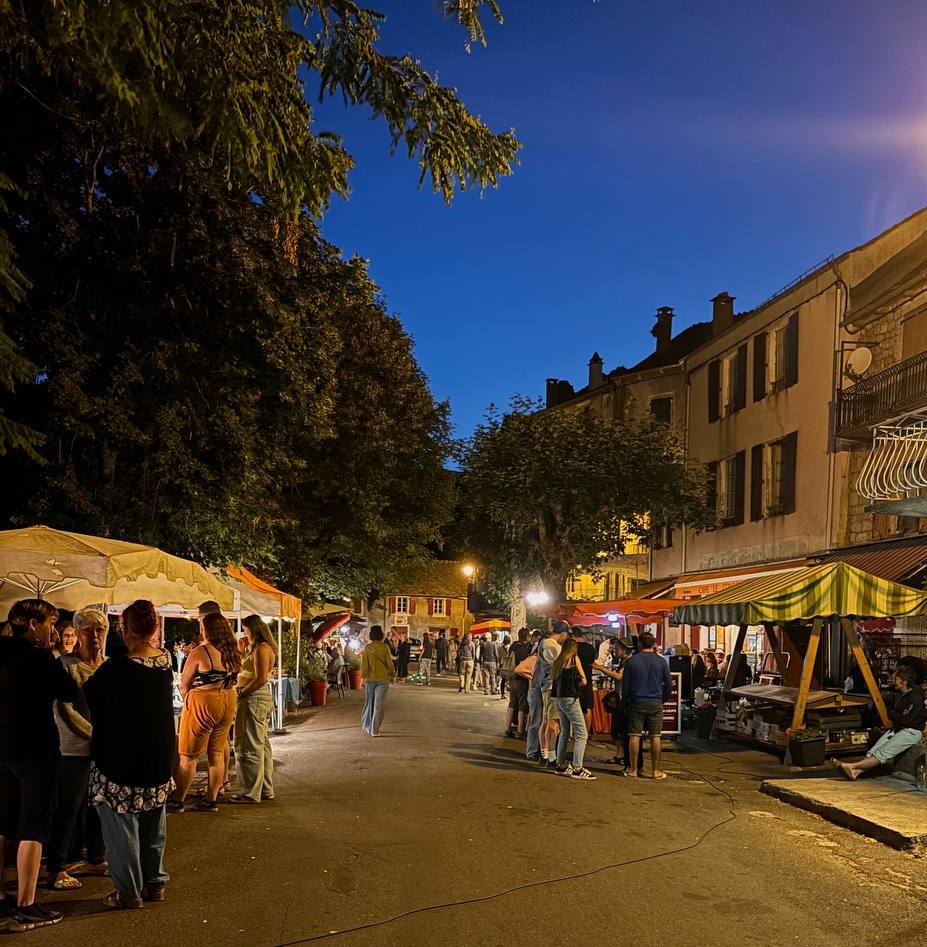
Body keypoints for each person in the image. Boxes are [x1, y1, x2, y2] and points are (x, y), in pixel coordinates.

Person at [84, 600, 174, 910]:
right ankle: (155, 883)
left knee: (122, 832)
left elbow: (89, 697)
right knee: (153, 828)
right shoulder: (165, 661)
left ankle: (129, 892)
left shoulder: (116, 667)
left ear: (124, 629)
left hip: (122, 761)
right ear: (153, 628)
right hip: (159, 756)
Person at [0, 599, 77, 933]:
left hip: (2, 750)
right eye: (51, 622)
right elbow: (69, 692)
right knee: (33, 828)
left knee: (2, 824)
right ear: (33, 624)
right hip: (35, 751)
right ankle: (26, 906)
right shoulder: (39, 659)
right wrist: (50, 655)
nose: (55, 630)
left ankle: (2, 895)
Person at [46, 608, 109, 892]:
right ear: (76, 633)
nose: (94, 636)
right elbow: (64, 708)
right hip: (73, 748)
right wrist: (94, 735)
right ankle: (57, 867)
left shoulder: (107, 666)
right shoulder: (66, 665)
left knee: (99, 804)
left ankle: (96, 857)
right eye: (87, 630)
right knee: (69, 807)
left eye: (99, 630)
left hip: (103, 748)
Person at [168, 612, 240, 813]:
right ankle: (211, 799)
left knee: (188, 754)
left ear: (206, 629)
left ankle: (178, 799)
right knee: (216, 752)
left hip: (203, 701)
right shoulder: (234, 650)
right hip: (227, 699)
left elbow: (184, 684)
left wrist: (188, 702)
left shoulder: (201, 652)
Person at [835, 665, 927, 780]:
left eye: (896, 680)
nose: (894, 682)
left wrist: (891, 713)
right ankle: (856, 772)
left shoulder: (915, 697)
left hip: (911, 732)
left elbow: (905, 719)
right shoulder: (901, 693)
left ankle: (851, 766)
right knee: (874, 750)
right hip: (898, 728)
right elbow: (897, 713)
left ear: (904, 682)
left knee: (881, 754)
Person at [229, 615, 277, 804]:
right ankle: (264, 788)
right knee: (259, 743)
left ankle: (250, 791)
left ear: (254, 629)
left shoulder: (262, 649)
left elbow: (260, 679)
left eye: (246, 629)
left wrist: (242, 692)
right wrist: (242, 651)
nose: (244, 633)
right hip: (253, 699)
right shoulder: (255, 649)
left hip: (253, 699)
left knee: (247, 745)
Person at [622, 631, 672, 780]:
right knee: (655, 736)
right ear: (653, 644)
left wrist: (624, 703)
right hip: (656, 702)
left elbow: (625, 687)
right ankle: (656, 771)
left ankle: (632, 769)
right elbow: (669, 684)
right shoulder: (661, 661)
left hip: (636, 702)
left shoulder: (631, 662)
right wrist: (662, 699)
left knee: (634, 735)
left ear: (639, 644)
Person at [551, 638, 596, 779]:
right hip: (571, 699)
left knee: (564, 732)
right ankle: (577, 768)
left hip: (559, 699)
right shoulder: (573, 659)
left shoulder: (558, 661)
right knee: (582, 733)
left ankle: (561, 764)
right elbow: (584, 680)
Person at [535, 622, 569, 769]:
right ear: (563, 634)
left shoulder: (543, 642)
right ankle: (552, 756)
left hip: (544, 686)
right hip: (552, 687)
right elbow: (564, 664)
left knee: (545, 720)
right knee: (553, 723)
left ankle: (544, 755)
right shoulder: (554, 646)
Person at [360, 626, 395, 736]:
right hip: (382, 679)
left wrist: (362, 678)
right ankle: (374, 730)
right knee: (379, 705)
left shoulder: (367, 648)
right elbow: (389, 663)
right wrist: (393, 674)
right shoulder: (384, 647)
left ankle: (368, 725)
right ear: (381, 635)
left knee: (369, 703)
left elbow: (364, 665)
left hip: (370, 680)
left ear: (371, 635)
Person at [504, 629, 532, 738]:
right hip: (522, 679)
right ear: (527, 637)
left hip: (512, 679)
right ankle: (520, 731)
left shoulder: (513, 646)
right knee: (522, 706)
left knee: (511, 704)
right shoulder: (525, 649)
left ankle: (507, 728)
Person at [571, 627, 596, 731]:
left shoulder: (572, 648)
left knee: (574, 707)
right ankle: (587, 731)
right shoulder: (590, 648)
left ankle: (576, 731)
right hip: (588, 680)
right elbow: (592, 662)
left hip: (574, 681)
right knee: (588, 707)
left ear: (572, 635)